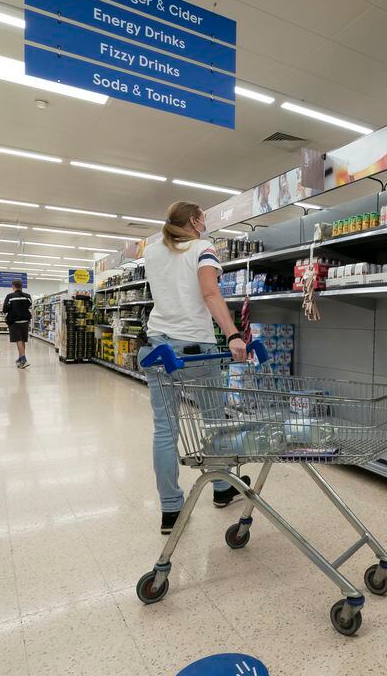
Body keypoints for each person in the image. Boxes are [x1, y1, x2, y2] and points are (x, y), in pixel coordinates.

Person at [140, 201, 249, 534]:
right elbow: (210, 292)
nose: (206, 222)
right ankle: (219, 489)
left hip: (159, 347)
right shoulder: (204, 247)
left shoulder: (153, 250)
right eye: (203, 217)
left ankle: (171, 511)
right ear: (194, 221)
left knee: (165, 430)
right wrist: (233, 333)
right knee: (214, 421)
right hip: (196, 349)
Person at [3, 280, 32, 369]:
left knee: (18, 340)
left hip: (15, 321)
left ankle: (23, 359)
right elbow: (29, 305)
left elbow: (5, 309)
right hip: (25, 321)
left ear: (13, 286)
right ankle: (20, 358)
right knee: (22, 340)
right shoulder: (28, 296)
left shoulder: (10, 296)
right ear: (21, 286)